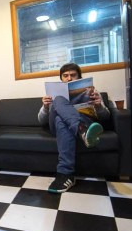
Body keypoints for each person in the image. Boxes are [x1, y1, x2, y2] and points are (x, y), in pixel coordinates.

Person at [38, 63, 110, 193]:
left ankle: (65, 174)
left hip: (80, 121)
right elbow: (41, 121)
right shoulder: (53, 94)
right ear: (61, 78)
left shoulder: (92, 91)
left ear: (79, 77)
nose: (69, 78)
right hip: (57, 127)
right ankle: (82, 130)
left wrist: (99, 106)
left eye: (73, 75)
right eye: (65, 76)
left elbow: (105, 117)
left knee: (61, 120)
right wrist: (45, 107)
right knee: (59, 100)